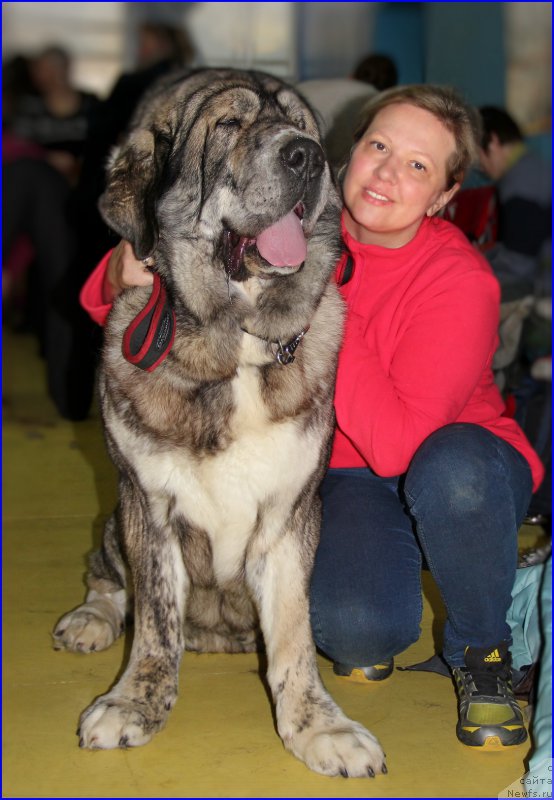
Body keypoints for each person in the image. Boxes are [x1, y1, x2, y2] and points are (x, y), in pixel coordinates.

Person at [79, 84, 544, 749]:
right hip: (346, 479)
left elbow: (395, 446)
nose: (388, 173)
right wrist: (124, 272)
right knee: (356, 632)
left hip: (444, 460)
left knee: (456, 476)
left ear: (445, 195)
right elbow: (114, 306)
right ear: (344, 155)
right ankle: (409, 565)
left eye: (418, 165)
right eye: (378, 147)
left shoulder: (457, 278)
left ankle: (486, 646)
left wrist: (302, 307)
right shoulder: (284, 231)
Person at [478, 106, 551, 301]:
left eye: (478, 157)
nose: (481, 167)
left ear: (492, 142)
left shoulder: (521, 183)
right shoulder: (532, 166)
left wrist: (475, 274)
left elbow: (520, 263)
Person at [297, 53, 398, 169]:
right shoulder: (372, 102)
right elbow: (341, 155)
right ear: (390, 88)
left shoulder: (314, 85)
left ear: (352, 75)